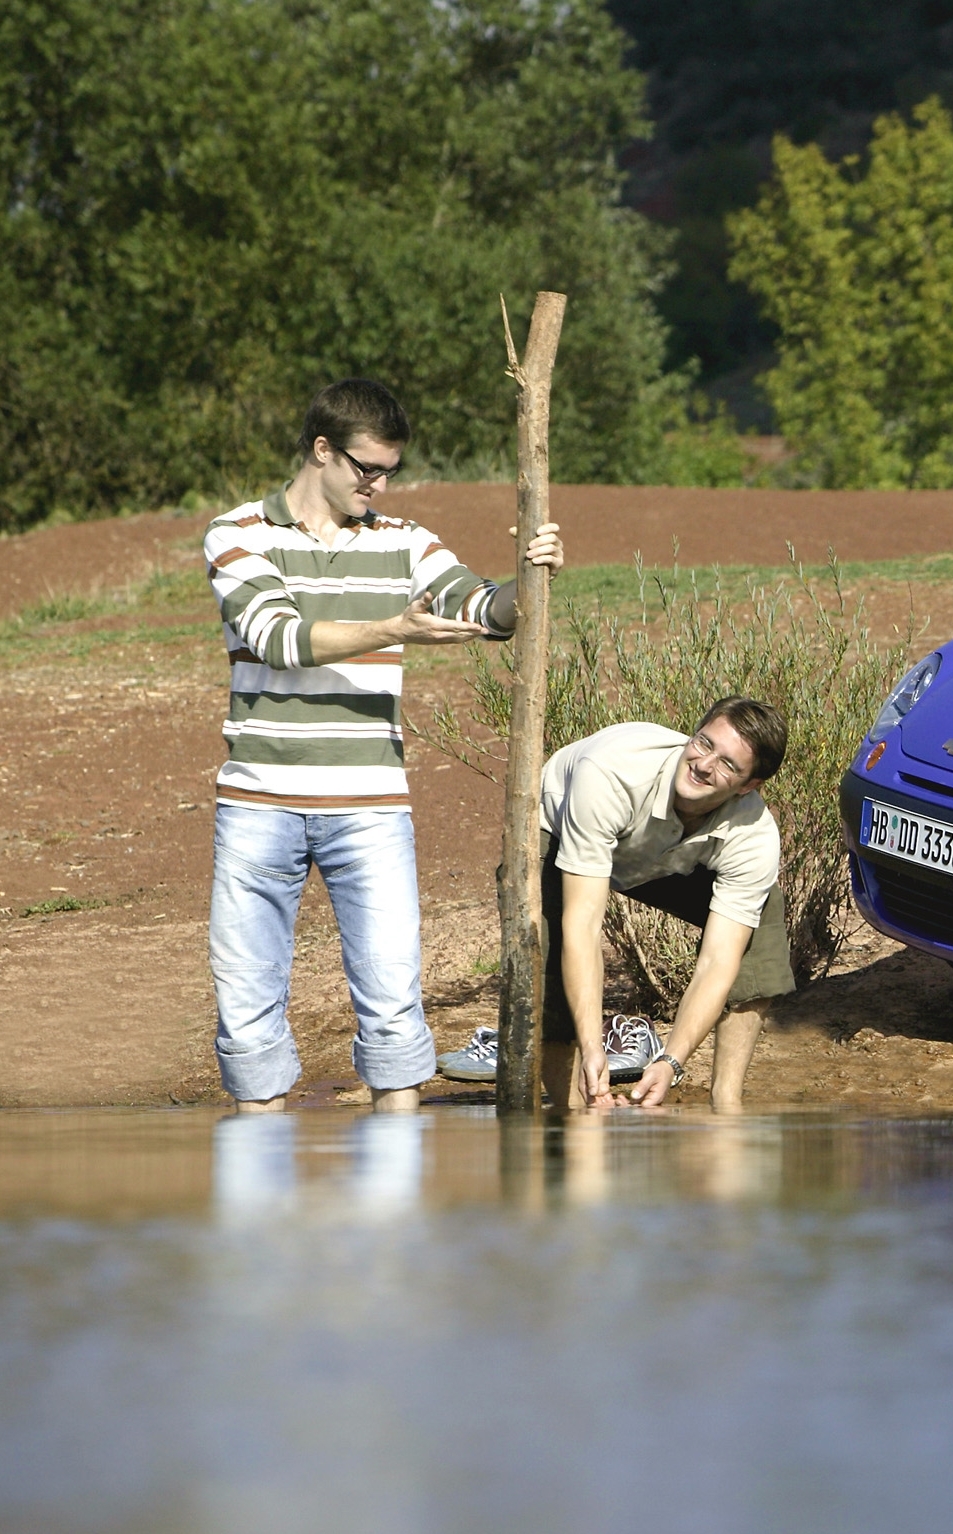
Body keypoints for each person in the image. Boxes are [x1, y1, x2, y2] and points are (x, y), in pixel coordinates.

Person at [206, 378, 564, 1112]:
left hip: (370, 807)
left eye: (390, 471)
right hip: (257, 804)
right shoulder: (236, 533)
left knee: (394, 1010)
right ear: (321, 450)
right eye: (366, 468)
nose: (378, 484)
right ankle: (255, 1208)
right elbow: (279, 637)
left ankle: (392, 1205)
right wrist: (392, 630)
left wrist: (527, 582)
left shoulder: (406, 543)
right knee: (247, 1015)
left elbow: (478, 604)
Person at [529, 699, 792, 1111]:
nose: (704, 765)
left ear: (748, 786)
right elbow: (583, 926)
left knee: (761, 922)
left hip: (665, 860)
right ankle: (578, 1107)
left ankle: (727, 1105)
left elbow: (718, 962)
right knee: (547, 946)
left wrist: (671, 1060)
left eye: (728, 765)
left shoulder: (754, 836)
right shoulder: (610, 773)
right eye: (704, 743)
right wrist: (593, 1044)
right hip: (562, 832)